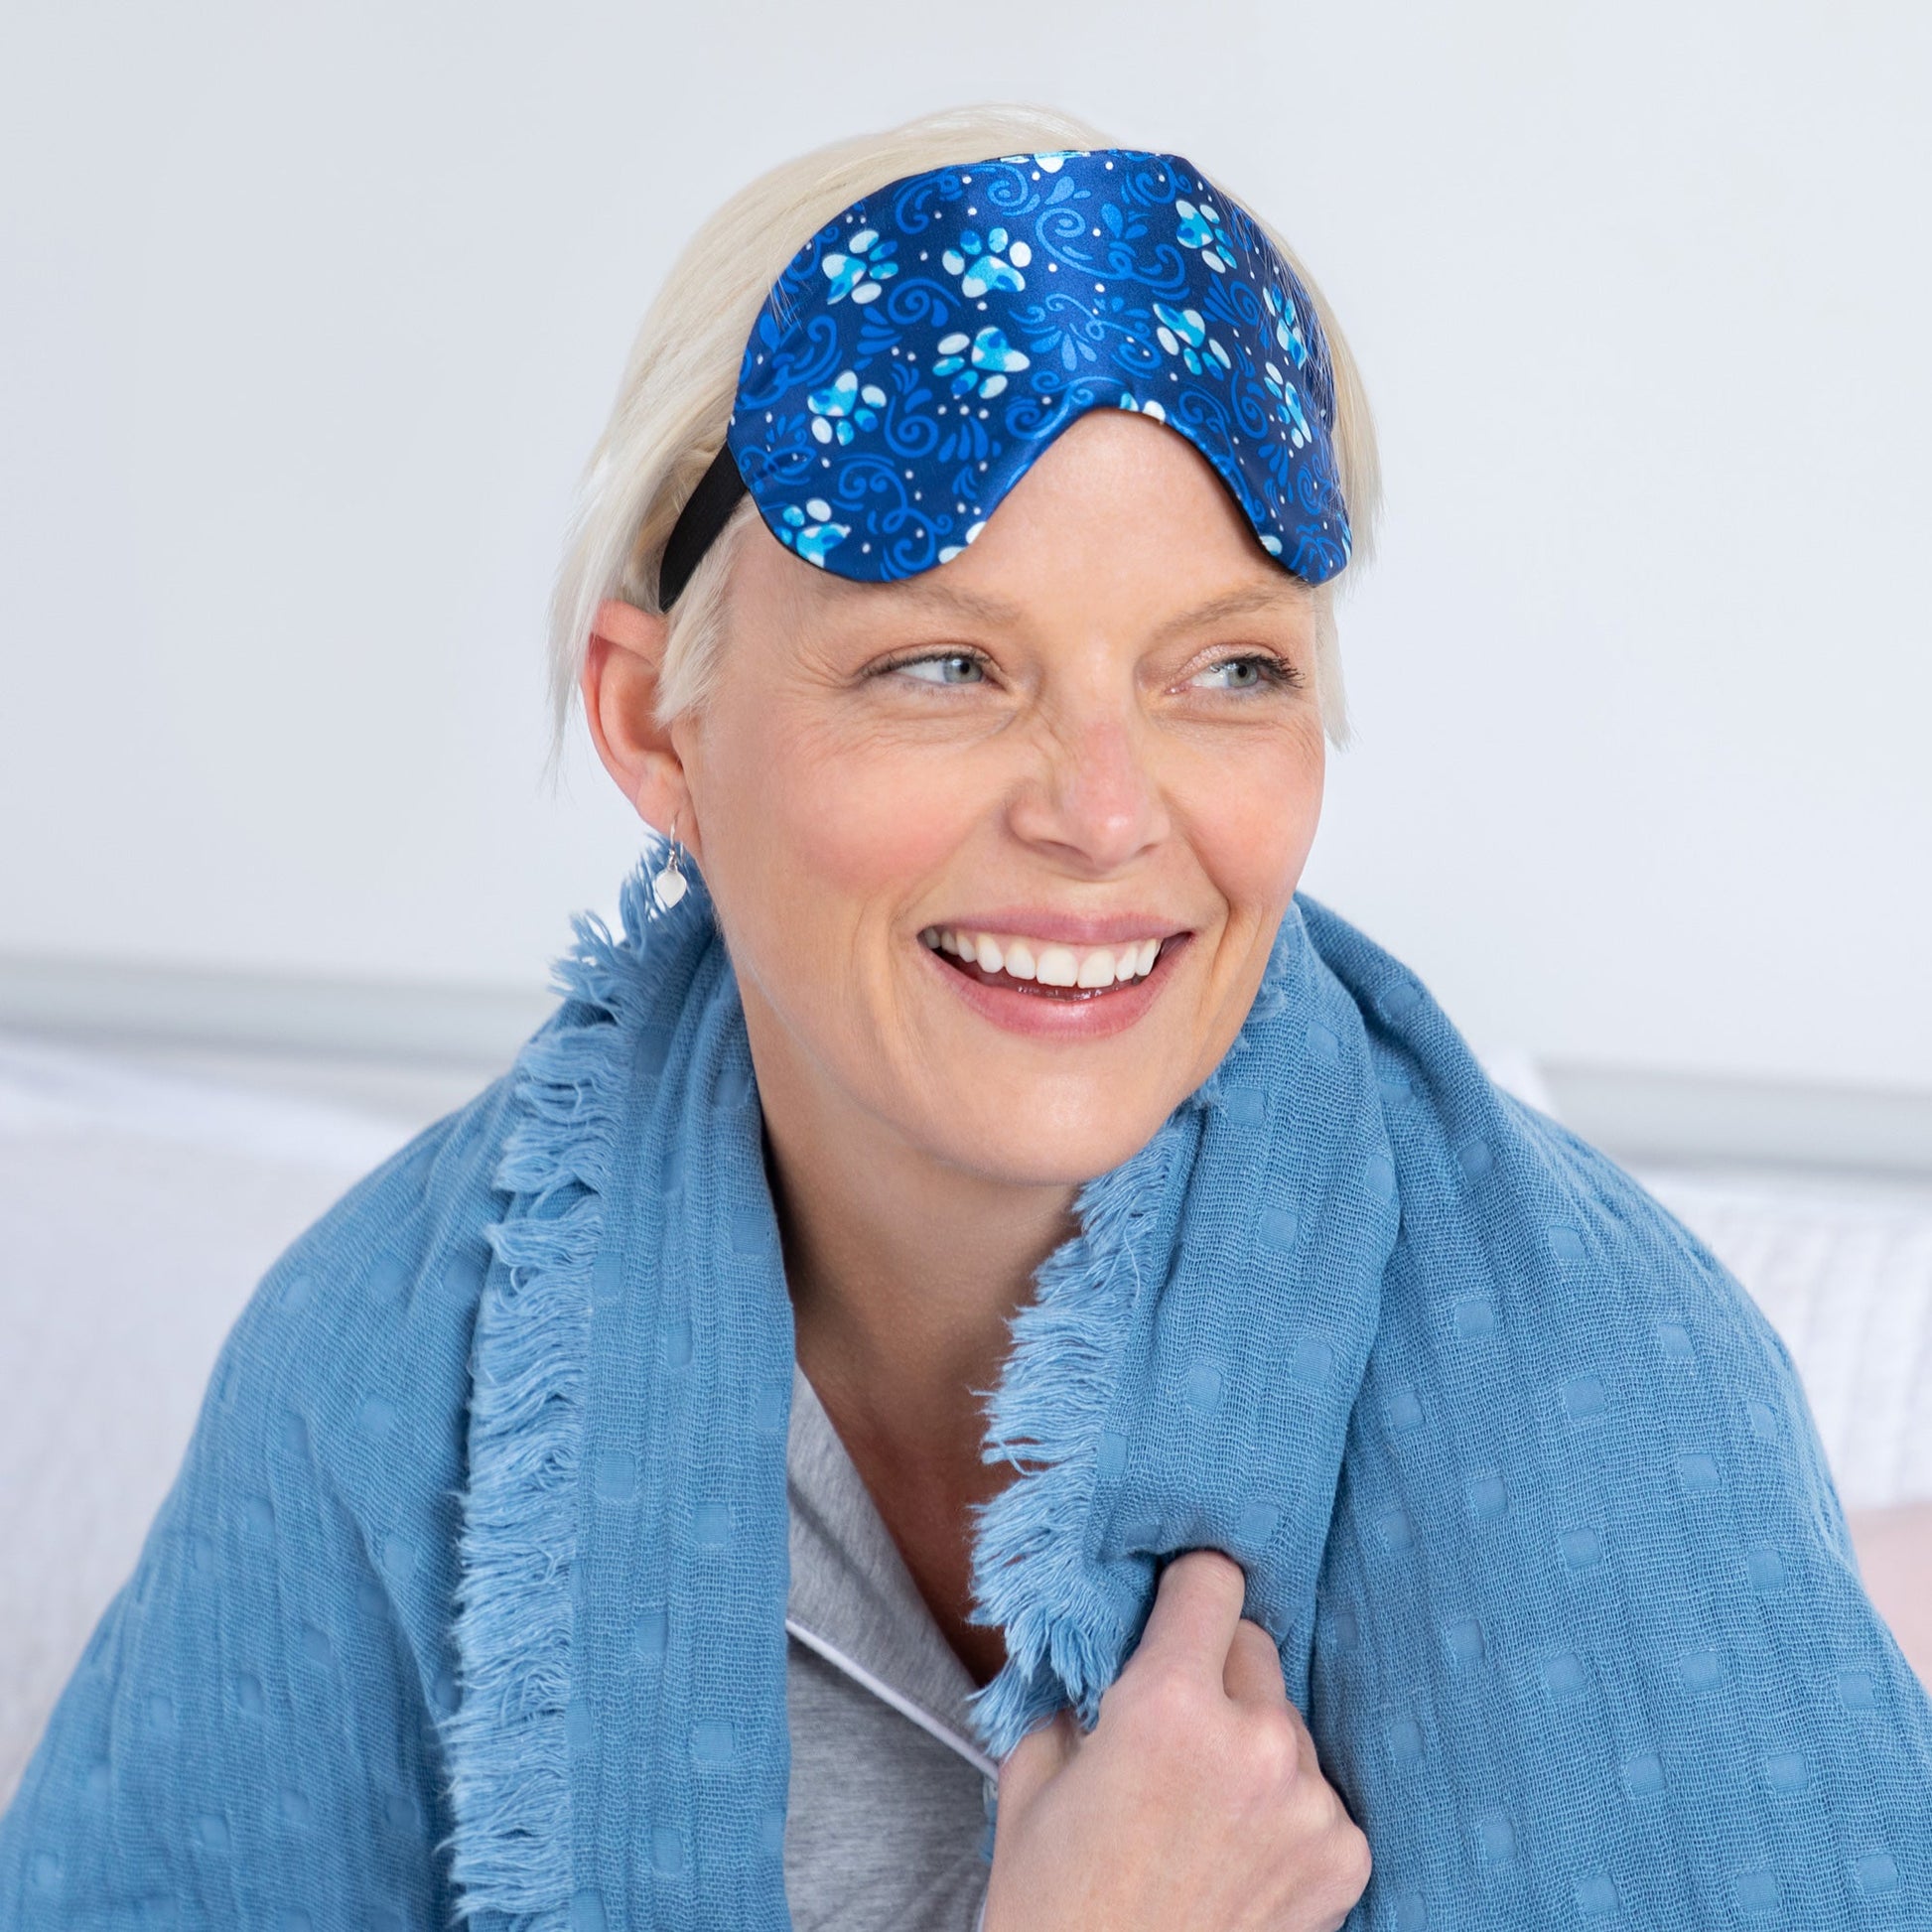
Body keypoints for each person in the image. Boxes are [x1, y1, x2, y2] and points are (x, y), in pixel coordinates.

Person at [4, 103, 1928, 1932]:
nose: (1104, 812)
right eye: (942, 664)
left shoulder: (1611, 1408)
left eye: (1226, 670)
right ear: (654, 723)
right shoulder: (386, 1373)